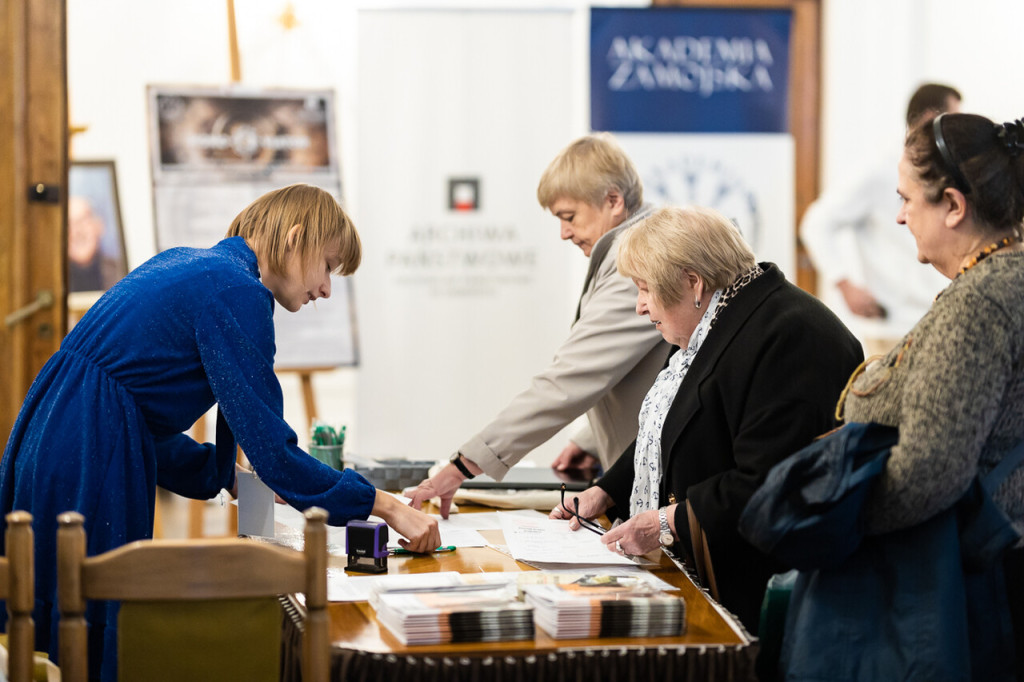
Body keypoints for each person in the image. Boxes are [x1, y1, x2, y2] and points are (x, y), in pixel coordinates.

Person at [0, 184, 440, 680]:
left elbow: (133, 417)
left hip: (54, 432)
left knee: (48, 628)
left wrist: (223, 476)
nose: (326, 289)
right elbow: (274, 452)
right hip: (85, 448)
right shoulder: (237, 292)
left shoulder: (200, 267)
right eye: (329, 266)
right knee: (84, 628)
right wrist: (388, 507)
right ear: (296, 238)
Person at [550, 205, 863, 632]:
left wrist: (665, 522)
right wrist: (604, 492)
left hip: (750, 599)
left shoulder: (792, 335)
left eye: (644, 289)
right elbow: (666, 432)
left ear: (692, 282)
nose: (640, 307)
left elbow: (770, 480)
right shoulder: (713, 320)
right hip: (703, 578)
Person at [794, 112, 1024, 679]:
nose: (898, 217)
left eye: (906, 200)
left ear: (952, 204)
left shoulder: (981, 303)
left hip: (956, 591)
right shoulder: (1000, 284)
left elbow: (931, 469)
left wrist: (830, 518)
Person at [407, 134, 670, 517]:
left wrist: (464, 465)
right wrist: (591, 440)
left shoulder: (640, 261)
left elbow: (571, 379)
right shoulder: (633, 246)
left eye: (569, 217)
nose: (564, 232)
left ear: (613, 201)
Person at [800, 83, 961, 356]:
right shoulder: (880, 169)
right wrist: (845, 284)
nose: (903, 216)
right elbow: (816, 222)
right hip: (893, 329)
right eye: (952, 120)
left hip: (936, 319)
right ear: (926, 119)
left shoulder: (944, 170)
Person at [67, 194, 125, 292]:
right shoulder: (51, 281)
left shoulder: (122, 273)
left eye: (83, 221)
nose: (77, 231)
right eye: (69, 225)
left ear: (99, 226)